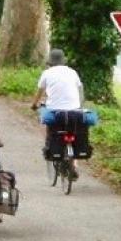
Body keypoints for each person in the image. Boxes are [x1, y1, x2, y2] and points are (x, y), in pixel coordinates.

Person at [30, 48, 84, 176]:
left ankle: (50, 146)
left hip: (56, 113)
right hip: (75, 111)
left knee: (50, 126)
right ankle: (74, 165)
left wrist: (34, 105)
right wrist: (80, 106)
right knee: (74, 136)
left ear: (50, 62)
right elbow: (80, 90)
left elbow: (40, 92)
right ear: (63, 61)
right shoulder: (72, 72)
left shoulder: (47, 73)